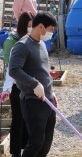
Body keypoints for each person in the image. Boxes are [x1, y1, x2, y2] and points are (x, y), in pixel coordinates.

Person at [8, 12, 58, 157]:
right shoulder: (22, 46)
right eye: (51, 29)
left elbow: (43, 70)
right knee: (36, 142)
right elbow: (13, 70)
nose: (51, 33)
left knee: (46, 143)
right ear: (41, 27)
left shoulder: (41, 44)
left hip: (48, 100)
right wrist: (34, 84)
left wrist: (51, 91)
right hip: (33, 101)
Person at [0, 12, 33, 157]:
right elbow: (10, 68)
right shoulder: (13, 42)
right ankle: (15, 152)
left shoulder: (31, 40)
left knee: (28, 118)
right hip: (16, 85)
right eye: (30, 26)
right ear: (24, 26)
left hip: (28, 85)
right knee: (18, 119)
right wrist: (6, 88)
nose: (31, 29)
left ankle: (26, 147)